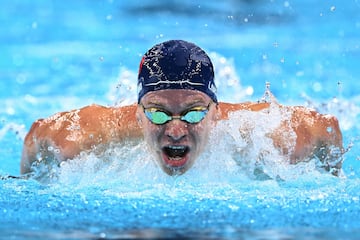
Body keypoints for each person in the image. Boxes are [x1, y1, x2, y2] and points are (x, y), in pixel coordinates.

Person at [20, 40, 344, 177]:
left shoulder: (268, 135)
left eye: (194, 113)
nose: (176, 130)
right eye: (158, 114)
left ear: (216, 112)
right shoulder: (86, 136)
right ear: (136, 112)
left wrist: (333, 177)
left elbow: (326, 127)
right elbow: (37, 134)